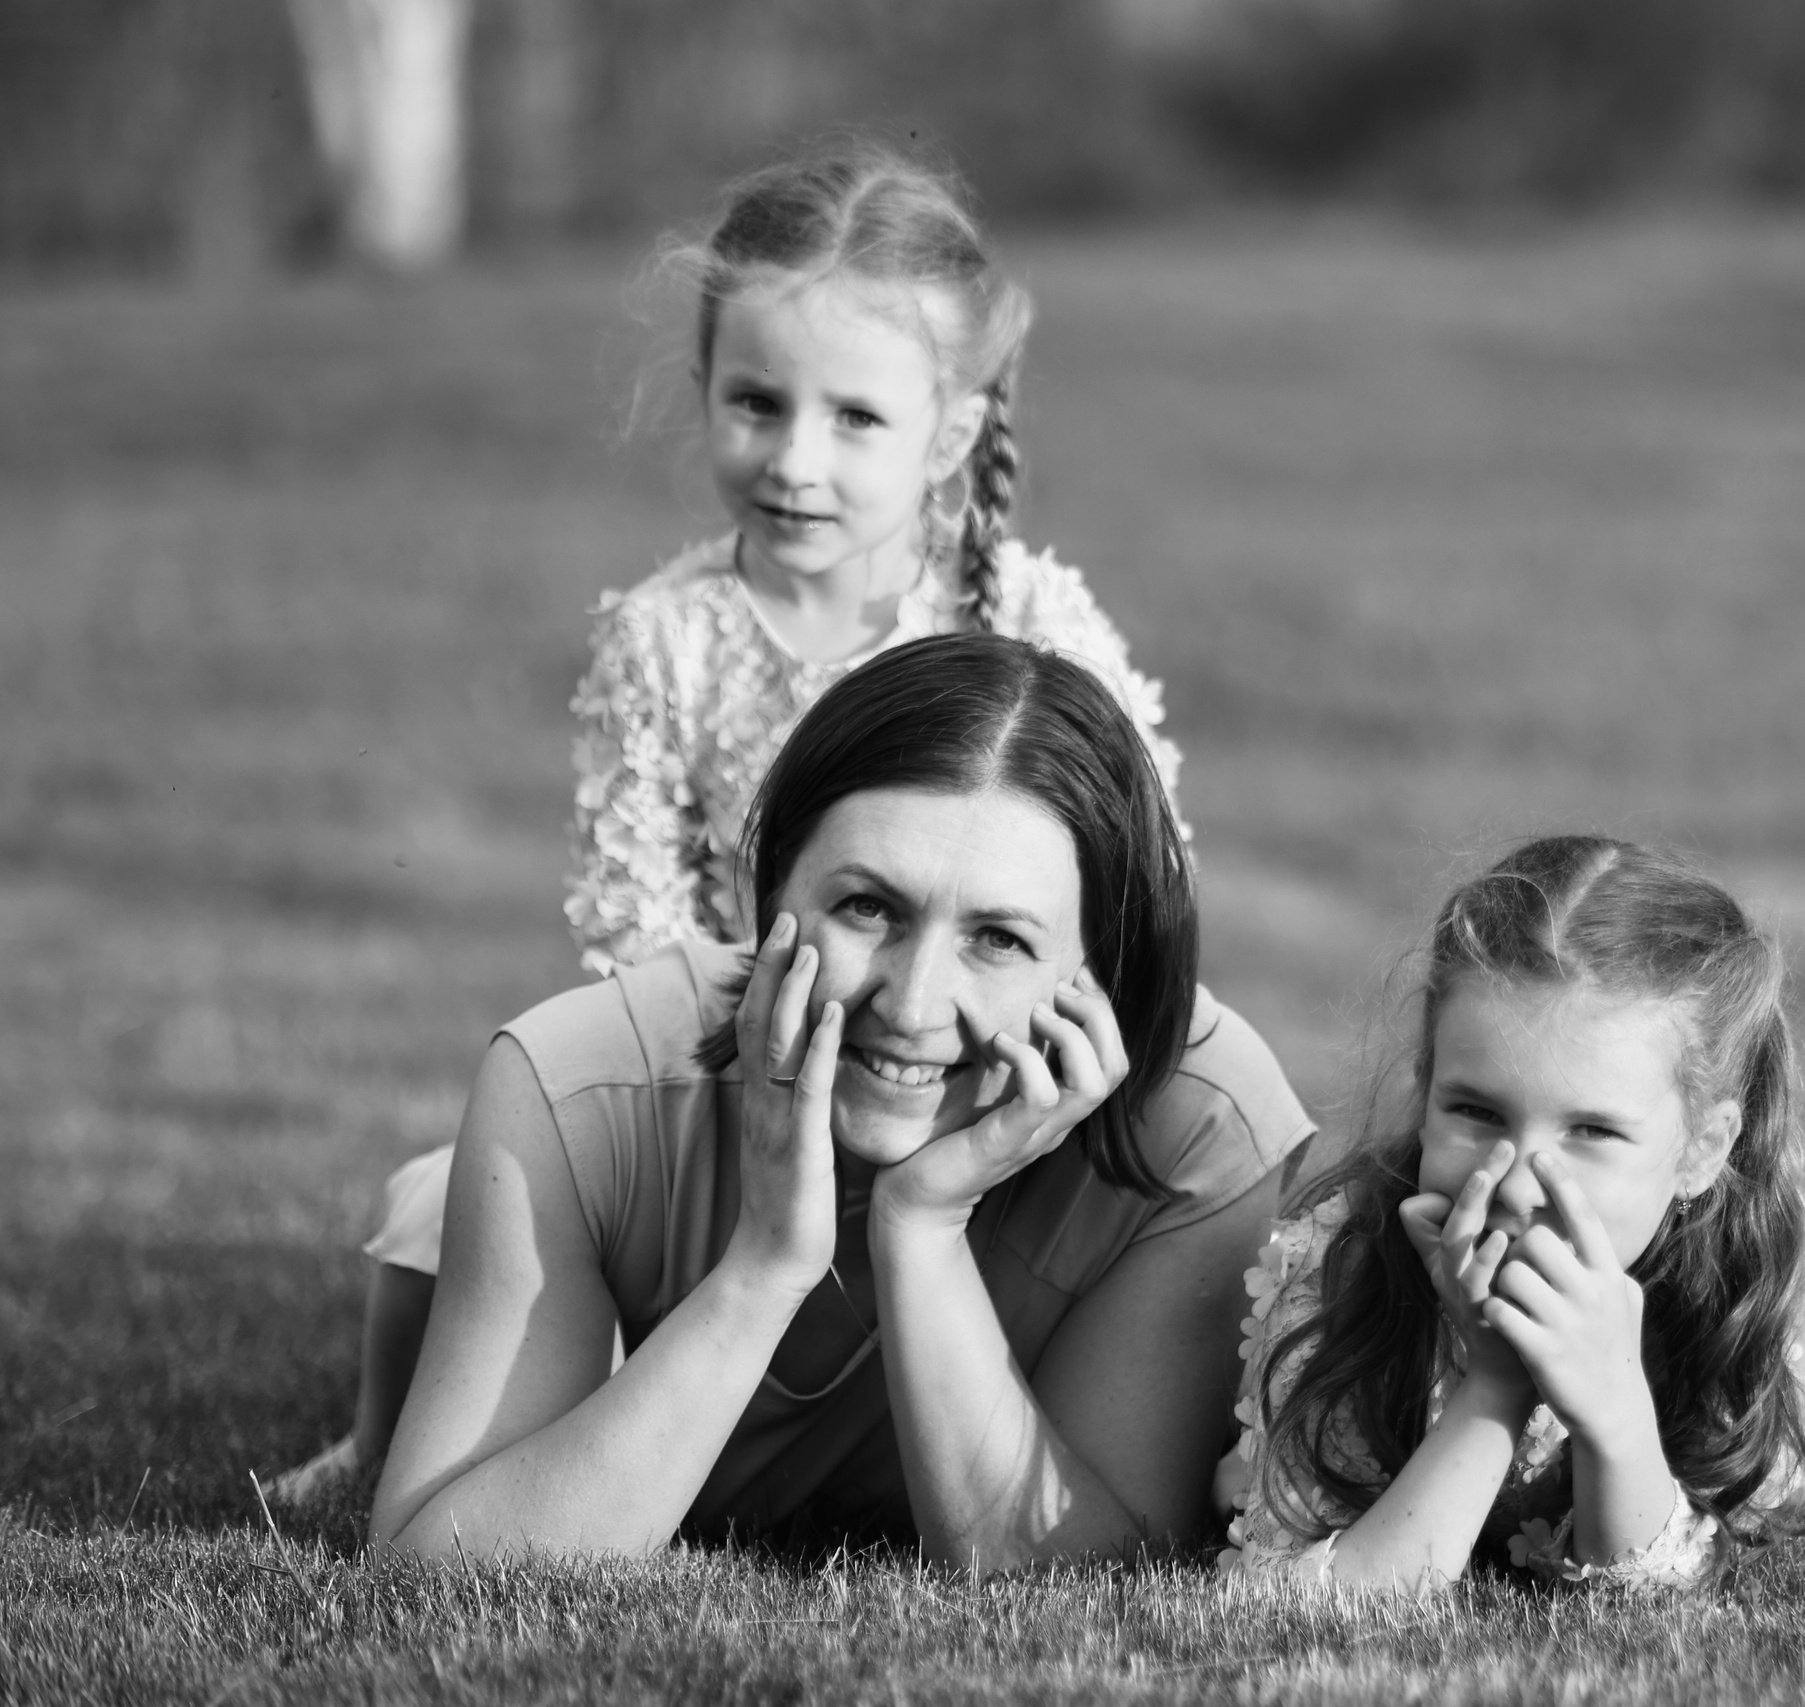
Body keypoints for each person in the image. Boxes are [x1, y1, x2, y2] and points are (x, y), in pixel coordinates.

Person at [274, 141, 1180, 1505]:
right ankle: (391, 1439)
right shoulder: (667, 639)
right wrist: (754, 1055)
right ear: (701, 392)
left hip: (957, 1069)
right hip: (728, 1059)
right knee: (439, 1195)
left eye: (855, 419)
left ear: (947, 431)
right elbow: (632, 918)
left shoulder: (1032, 624)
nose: (794, 461)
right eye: (756, 402)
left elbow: (1135, 868)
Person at [370, 635, 1310, 1561]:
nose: (909, 1004)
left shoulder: (1199, 1130)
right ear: (770, 895)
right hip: (558, 1203)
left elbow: (1083, 1577)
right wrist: (767, 1262)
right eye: (868, 906)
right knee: (453, 1220)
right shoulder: (576, 1085)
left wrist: (921, 1226)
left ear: (1102, 970)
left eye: (998, 939)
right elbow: (438, 1570)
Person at [1216, 836, 1805, 1589]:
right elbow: (1302, 1599)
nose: (1523, 1184)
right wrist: (1496, 1384)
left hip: (1707, 1378)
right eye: (1476, 1110)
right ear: (1425, 1088)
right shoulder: (1340, 1268)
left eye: (1592, 1130)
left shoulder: (1721, 1271)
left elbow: (1645, 1591)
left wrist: (1617, 1408)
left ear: (1700, 1148)